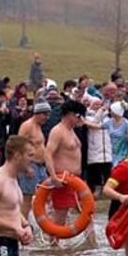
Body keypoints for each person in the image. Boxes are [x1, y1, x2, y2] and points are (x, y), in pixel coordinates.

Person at [41, 99, 86, 231]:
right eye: (78, 116)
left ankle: (92, 246)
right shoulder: (58, 131)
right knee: (60, 216)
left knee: (87, 213)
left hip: (76, 179)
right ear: (69, 114)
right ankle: (54, 247)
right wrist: (53, 176)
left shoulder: (72, 130)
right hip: (63, 179)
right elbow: (47, 154)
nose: (80, 119)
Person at [16, 100, 50, 219]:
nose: (47, 117)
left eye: (48, 114)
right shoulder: (27, 126)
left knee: (48, 194)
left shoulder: (38, 127)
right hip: (30, 165)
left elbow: (41, 147)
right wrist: (26, 167)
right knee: (27, 198)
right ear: (37, 113)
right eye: (45, 114)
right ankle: (22, 225)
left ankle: (40, 221)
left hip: (40, 166)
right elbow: (19, 146)